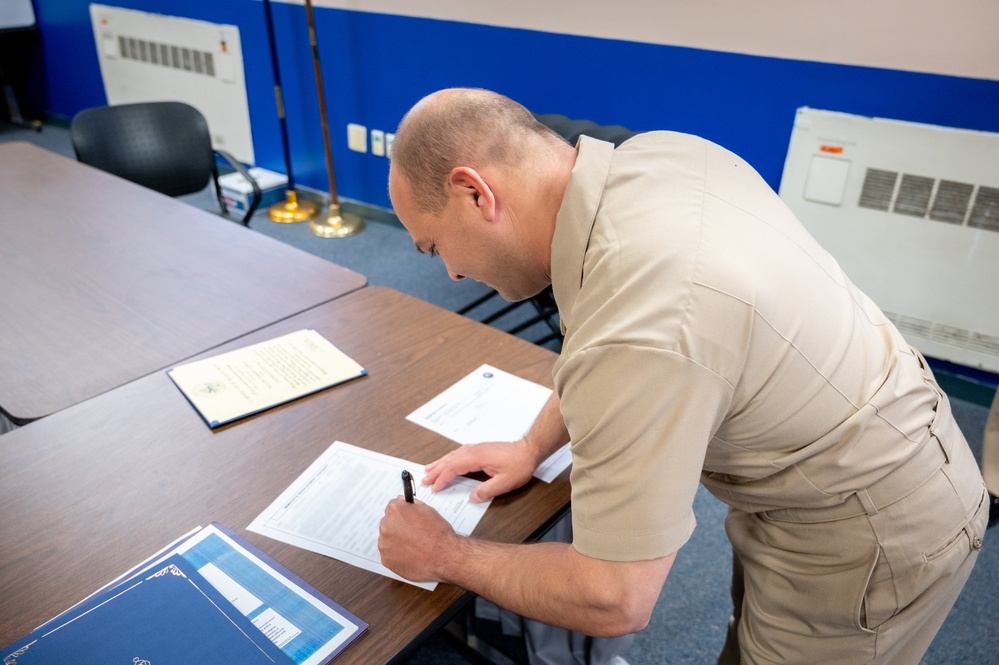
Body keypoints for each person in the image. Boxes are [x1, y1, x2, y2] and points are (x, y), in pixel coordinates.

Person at [377, 88, 989, 664]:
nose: (452, 272)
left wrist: (445, 554)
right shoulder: (657, 156)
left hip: (870, 529)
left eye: (433, 246)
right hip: (857, 447)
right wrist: (532, 445)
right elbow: (619, 330)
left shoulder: (640, 322)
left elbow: (613, 595)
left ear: (475, 193)